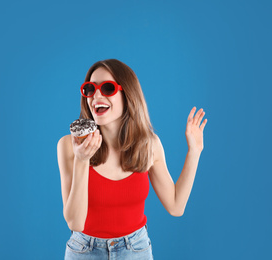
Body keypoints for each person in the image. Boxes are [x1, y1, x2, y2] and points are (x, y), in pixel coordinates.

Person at [57, 59, 207, 259]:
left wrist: (194, 152)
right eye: (90, 89)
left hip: (135, 250)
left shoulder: (149, 145)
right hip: (84, 251)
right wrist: (82, 159)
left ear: (128, 94)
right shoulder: (69, 145)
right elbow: (75, 222)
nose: (96, 96)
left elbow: (176, 205)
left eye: (107, 88)